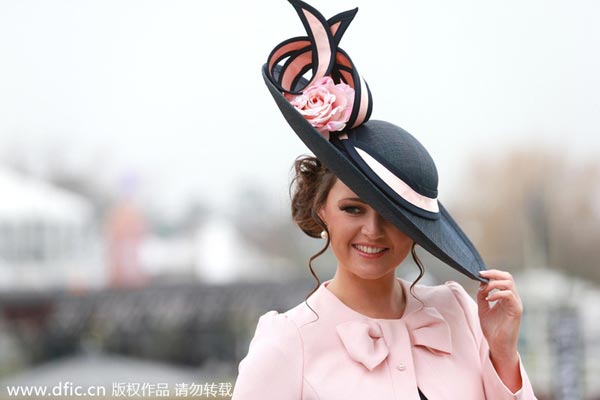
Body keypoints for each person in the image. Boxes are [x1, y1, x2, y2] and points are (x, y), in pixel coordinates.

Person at [232, 1, 537, 399]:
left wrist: (502, 351)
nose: (372, 231)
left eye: (393, 215)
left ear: (418, 230)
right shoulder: (287, 344)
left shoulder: (460, 313)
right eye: (353, 208)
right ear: (321, 208)